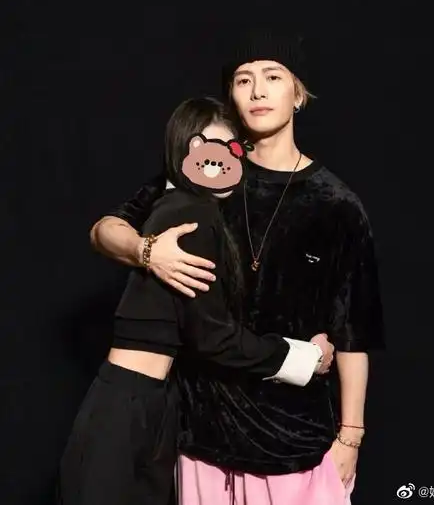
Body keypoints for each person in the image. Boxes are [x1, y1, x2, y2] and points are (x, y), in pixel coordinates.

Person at [91, 30, 385, 505]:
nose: (258, 90)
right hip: (202, 437)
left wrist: (350, 438)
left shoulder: (337, 205)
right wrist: (148, 250)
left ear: (298, 94)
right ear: (231, 95)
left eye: (273, 77)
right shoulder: (203, 172)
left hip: (294, 442)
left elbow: (354, 333)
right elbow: (104, 230)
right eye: (244, 80)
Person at [57, 96, 335, 505]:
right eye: (214, 149)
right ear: (190, 148)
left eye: (234, 151)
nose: (227, 162)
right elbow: (213, 338)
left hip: (155, 401)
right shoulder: (188, 212)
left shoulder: (195, 207)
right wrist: (306, 359)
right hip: (128, 402)